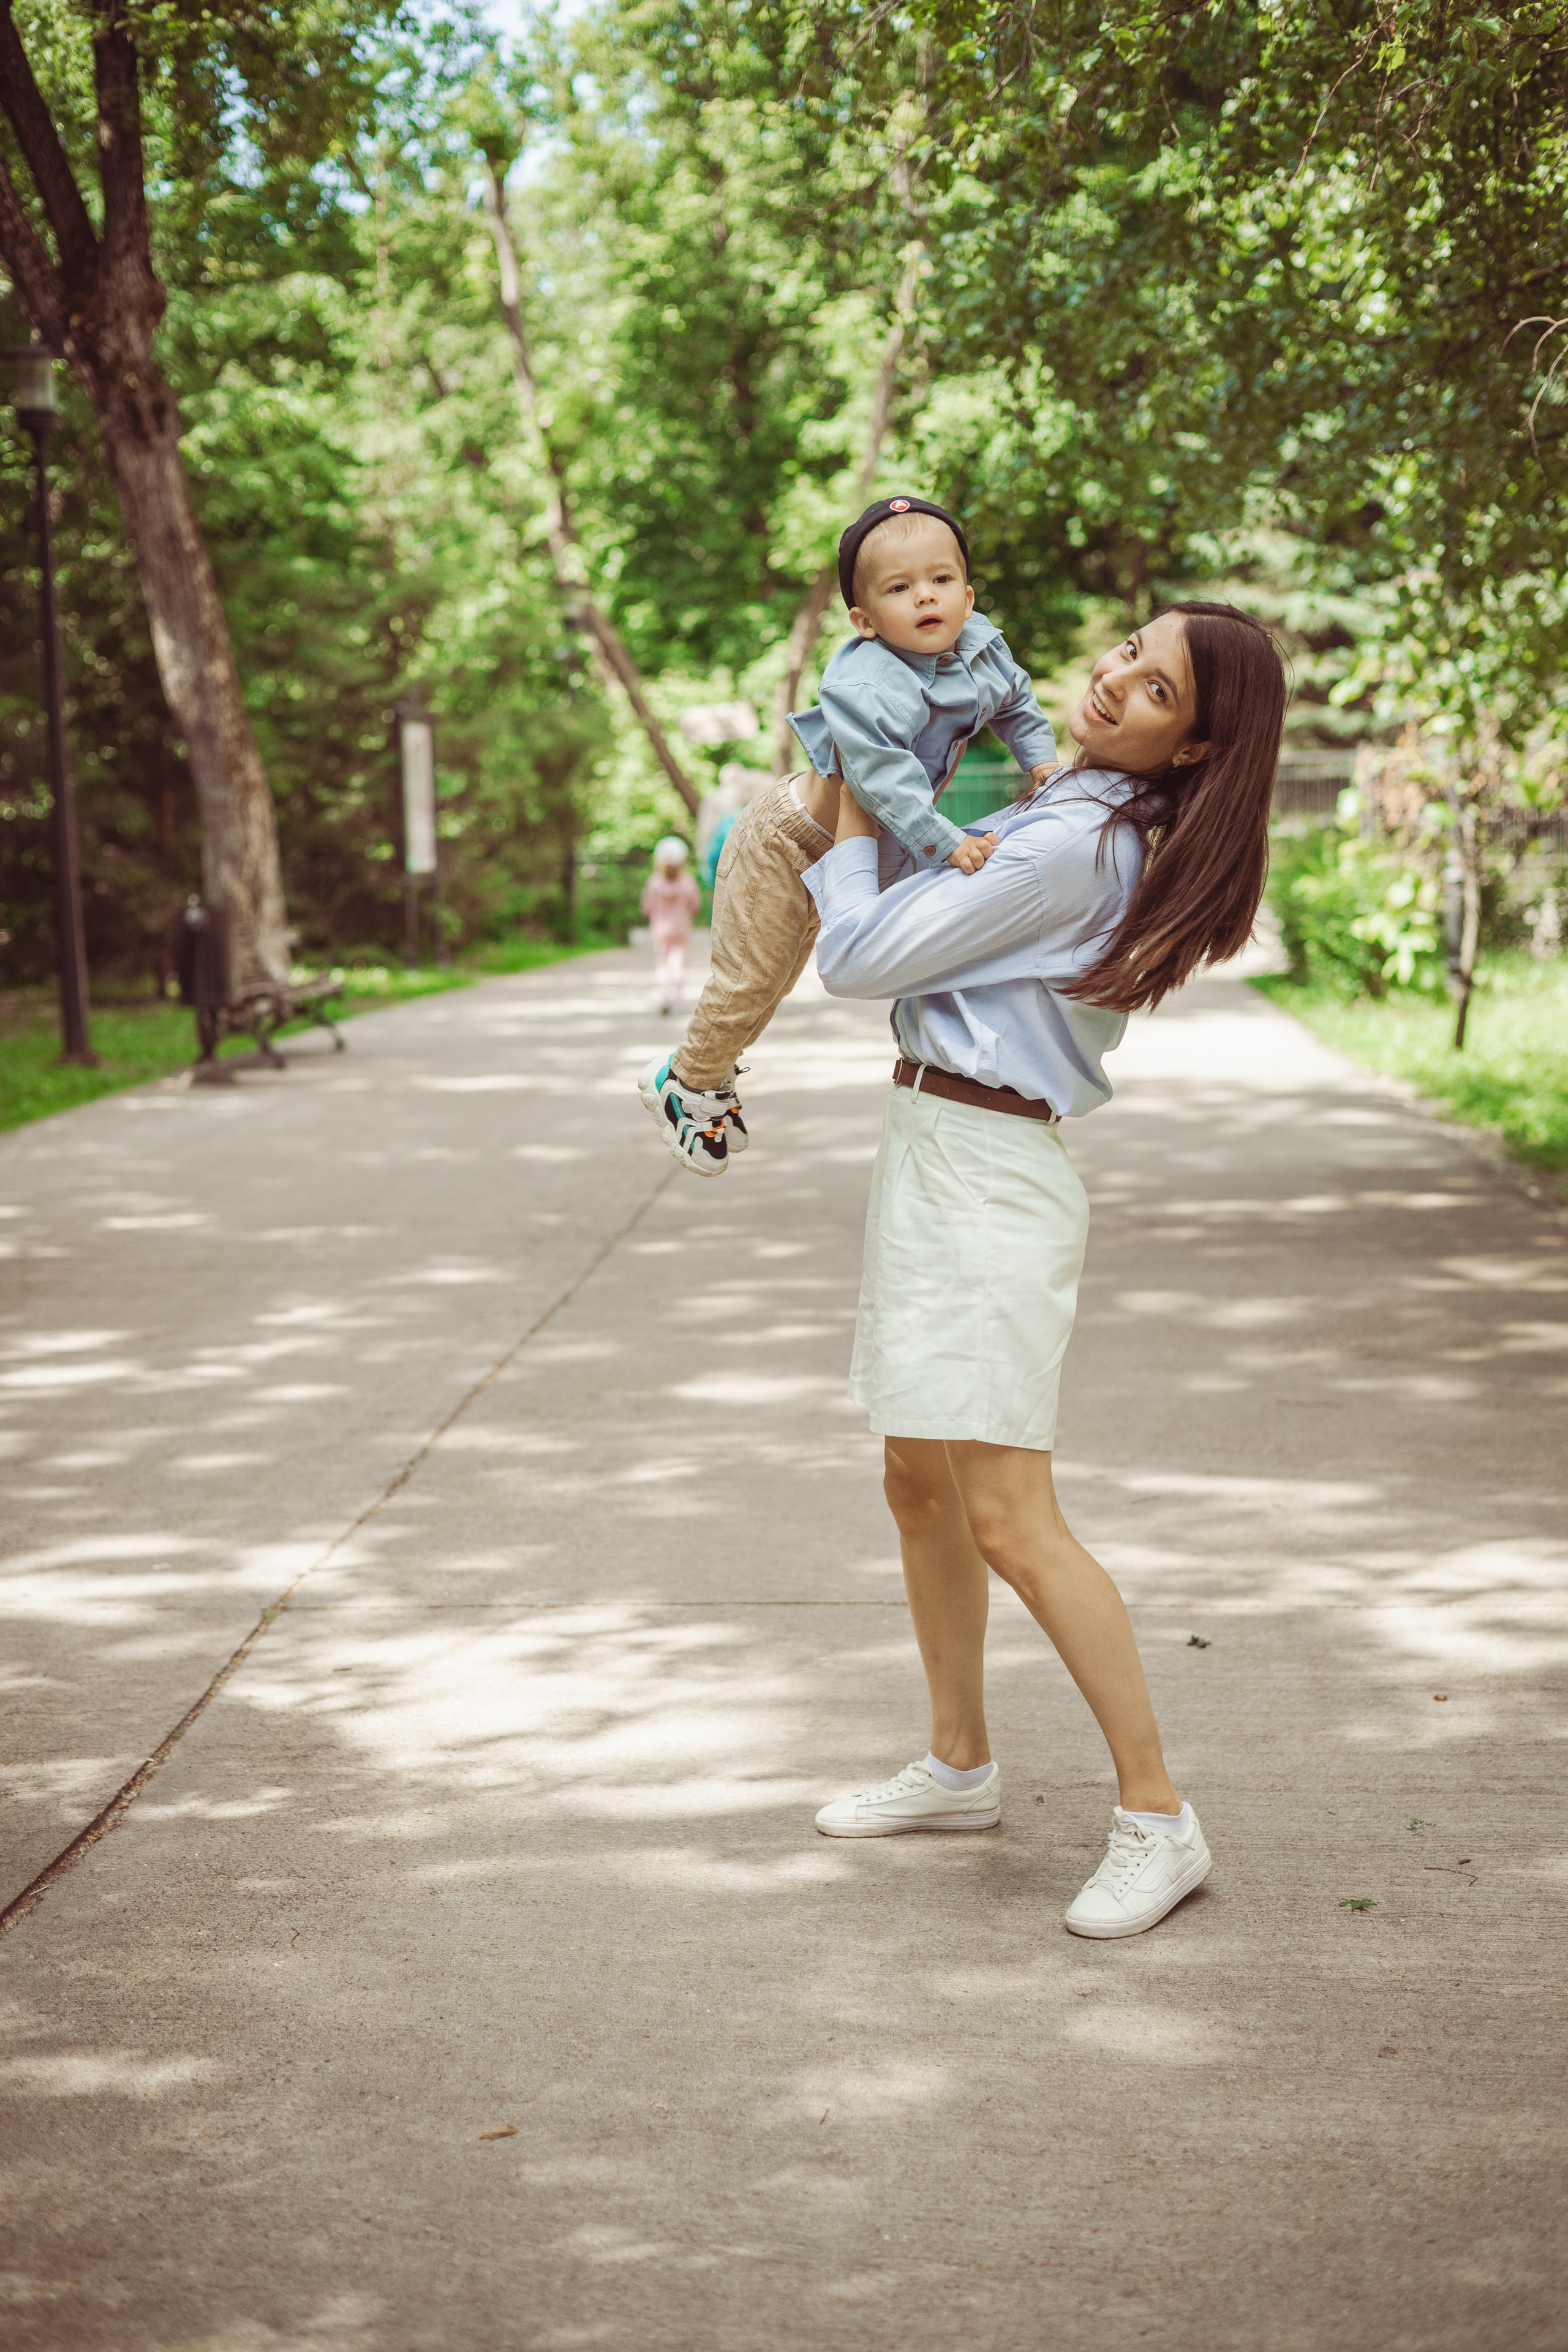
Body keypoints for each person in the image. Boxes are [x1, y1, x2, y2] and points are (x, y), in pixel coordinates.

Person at [801, 601, 1288, 1939]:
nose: (1118, 674)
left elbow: (853, 957)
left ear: (1195, 747)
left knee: (1011, 1517)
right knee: (916, 1482)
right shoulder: (1068, 794)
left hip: (985, 1176)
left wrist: (852, 803)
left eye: (1158, 684)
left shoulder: (1074, 841)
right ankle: (959, 1766)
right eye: (1128, 647)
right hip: (935, 1141)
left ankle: (1156, 1816)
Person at [639, 496, 1059, 1175]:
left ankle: (709, 1076)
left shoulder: (981, 644)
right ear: (864, 622)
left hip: (860, 846)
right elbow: (882, 778)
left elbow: (1016, 700)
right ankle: (684, 1081)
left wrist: (1040, 761)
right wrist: (945, 841)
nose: (926, 596)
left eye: (941, 579)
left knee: (781, 977)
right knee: (752, 979)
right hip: (790, 839)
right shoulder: (866, 681)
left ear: (968, 592)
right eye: (899, 589)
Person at [639, 837, 701, 1017]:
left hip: (660, 930)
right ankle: (678, 1002)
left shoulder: (654, 883)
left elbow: (646, 907)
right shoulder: (688, 882)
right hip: (681, 930)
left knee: (663, 964)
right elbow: (695, 905)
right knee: (679, 965)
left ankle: (666, 996)